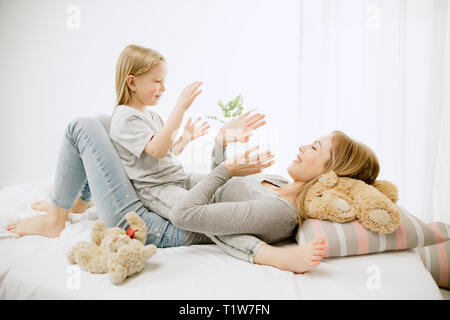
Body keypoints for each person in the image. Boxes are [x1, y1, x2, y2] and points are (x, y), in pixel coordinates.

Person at [6, 44, 380, 274]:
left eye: (315, 148)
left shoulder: (282, 212)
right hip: (163, 196)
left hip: (151, 221)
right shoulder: (278, 185)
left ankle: (55, 220)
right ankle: (80, 201)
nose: (303, 147)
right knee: (108, 124)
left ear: (330, 173)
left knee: (82, 127)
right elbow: (217, 189)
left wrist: (272, 256)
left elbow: (193, 214)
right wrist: (221, 141)